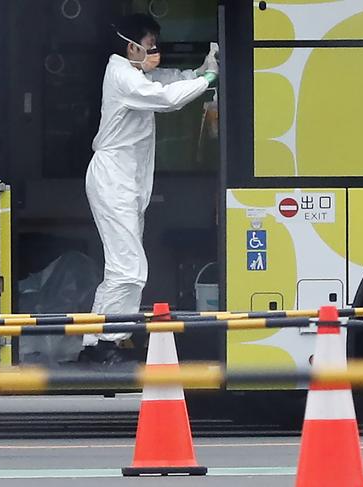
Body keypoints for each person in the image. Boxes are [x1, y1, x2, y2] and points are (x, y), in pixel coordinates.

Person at [80, 13, 218, 364]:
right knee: (130, 269)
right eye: (150, 46)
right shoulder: (124, 77)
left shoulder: (134, 73)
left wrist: (200, 72)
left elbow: (169, 81)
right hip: (114, 180)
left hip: (123, 181)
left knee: (120, 267)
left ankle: (95, 342)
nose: (155, 52)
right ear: (131, 46)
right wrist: (207, 79)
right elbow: (166, 98)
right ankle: (110, 340)